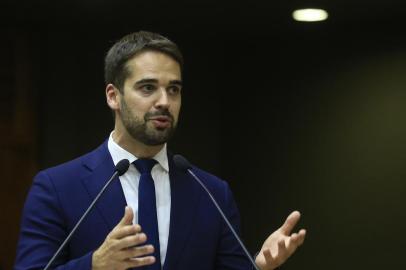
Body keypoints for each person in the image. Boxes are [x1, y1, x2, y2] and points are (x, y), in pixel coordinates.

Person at [14, 31, 306, 270]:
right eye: (147, 87)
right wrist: (94, 265)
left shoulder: (212, 193)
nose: (164, 101)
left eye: (174, 89)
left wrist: (258, 267)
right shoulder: (57, 187)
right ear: (113, 96)